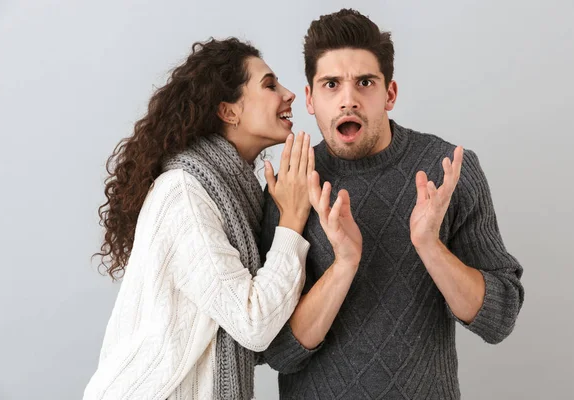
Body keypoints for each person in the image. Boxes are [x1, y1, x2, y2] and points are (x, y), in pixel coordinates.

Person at [261, 9, 525, 399]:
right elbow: (276, 349)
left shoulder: (450, 170)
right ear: (310, 99)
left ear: (390, 94)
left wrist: (430, 247)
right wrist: (344, 264)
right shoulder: (291, 186)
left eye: (364, 82)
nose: (348, 100)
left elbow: (499, 319)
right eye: (331, 84)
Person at [83, 37, 347, 400]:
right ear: (228, 111)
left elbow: (261, 331)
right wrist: (292, 219)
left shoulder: (239, 196)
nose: (289, 94)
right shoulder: (185, 193)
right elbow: (253, 323)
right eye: (269, 85)